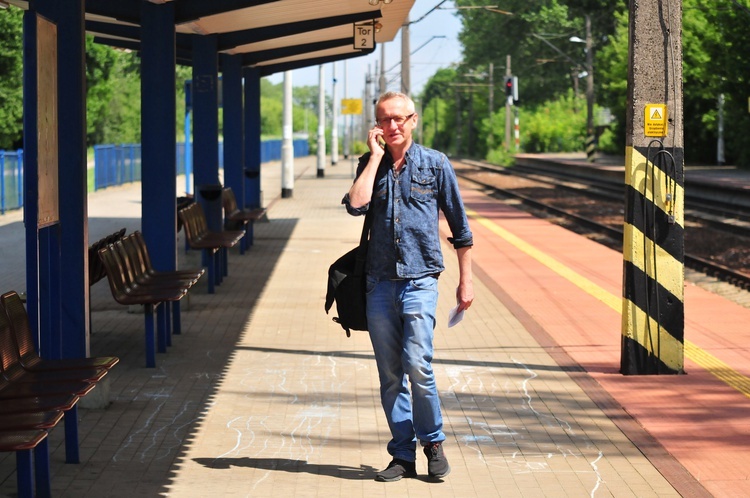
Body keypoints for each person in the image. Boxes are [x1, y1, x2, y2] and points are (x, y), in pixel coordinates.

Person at [343, 91, 474, 482]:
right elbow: (355, 205)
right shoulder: (371, 163)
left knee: (418, 364)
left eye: (399, 119)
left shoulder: (435, 164)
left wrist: (465, 282)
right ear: (377, 126)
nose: (392, 126)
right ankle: (402, 454)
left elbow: (461, 229)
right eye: (384, 120)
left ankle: (432, 443)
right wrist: (375, 159)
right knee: (390, 373)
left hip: (420, 281)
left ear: (413, 120)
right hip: (378, 284)